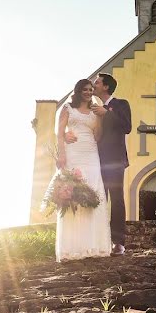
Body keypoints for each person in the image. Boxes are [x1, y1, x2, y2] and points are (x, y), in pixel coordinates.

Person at [54, 79, 112, 261]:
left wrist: (101, 119)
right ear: (78, 91)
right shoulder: (67, 109)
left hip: (91, 154)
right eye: (85, 89)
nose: (88, 92)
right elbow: (59, 132)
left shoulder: (96, 111)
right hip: (73, 153)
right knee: (74, 196)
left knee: (94, 194)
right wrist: (62, 154)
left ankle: (93, 245)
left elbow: (98, 135)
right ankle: (72, 247)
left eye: (90, 89)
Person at [92, 72, 132, 255]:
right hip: (95, 160)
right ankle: (96, 240)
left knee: (116, 200)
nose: (94, 84)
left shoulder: (120, 104)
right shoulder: (93, 107)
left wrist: (106, 113)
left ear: (106, 86)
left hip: (115, 160)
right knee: (98, 199)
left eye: (97, 82)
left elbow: (127, 126)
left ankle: (118, 243)